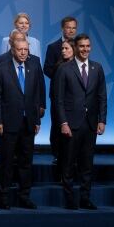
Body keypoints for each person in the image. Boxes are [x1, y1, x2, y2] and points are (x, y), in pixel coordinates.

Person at [53, 33, 107, 210]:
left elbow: (102, 97)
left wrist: (102, 120)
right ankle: (70, 199)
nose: (85, 49)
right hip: (71, 123)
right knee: (68, 164)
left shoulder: (97, 68)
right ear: (75, 48)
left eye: (88, 46)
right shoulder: (64, 69)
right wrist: (63, 123)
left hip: (91, 123)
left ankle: (85, 198)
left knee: (87, 164)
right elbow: (58, 99)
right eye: (82, 46)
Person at [0, 38, 45, 209]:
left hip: (28, 122)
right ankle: (4, 196)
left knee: (26, 162)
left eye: (26, 50)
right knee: (6, 161)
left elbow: (36, 95)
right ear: (12, 50)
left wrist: (37, 120)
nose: (23, 53)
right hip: (8, 123)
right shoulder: (1, 68)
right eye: (20, 50)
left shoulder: (34, 67)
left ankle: (24, 196)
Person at [49, 39, 75, 171]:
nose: (63, 51)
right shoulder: (59, 66)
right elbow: (56, 90)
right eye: (62, 49)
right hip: (60, 106)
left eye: (67, 48)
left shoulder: (79, 66)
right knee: (60, 135)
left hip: (75, 109)